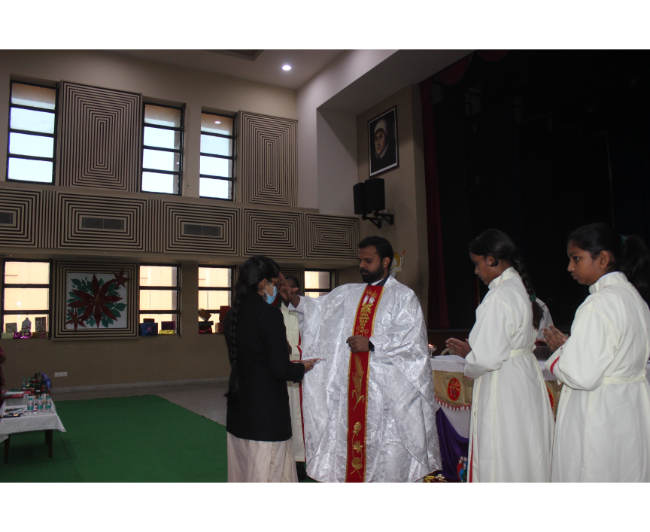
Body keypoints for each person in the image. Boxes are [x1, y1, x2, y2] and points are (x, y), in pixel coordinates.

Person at [279, 236, 440, 483]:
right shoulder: (349, 292)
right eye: (360, 260)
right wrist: (295, 299)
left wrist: (372, 344)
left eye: (368, 260)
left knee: (386, 454)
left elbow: (412, 341)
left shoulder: (403, 296)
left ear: (385, 261)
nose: (362, 265)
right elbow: (319, 310)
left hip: (385, 396)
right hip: (352, 392)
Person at [544, 223, 650, 483]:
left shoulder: (598, 304)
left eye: (576, 258)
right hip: (630, 407)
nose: (570, 267)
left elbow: (581, 375)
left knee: (593, 471)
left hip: (599, 410)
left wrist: (561, 352)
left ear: (602, 258)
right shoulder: (634, 298)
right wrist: (572, 347)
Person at [446, 229, 554, 483]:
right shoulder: (520, 289)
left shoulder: (499, 296)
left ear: (492, 259)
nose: (476, 271)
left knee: (502, 449)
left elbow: (486, 359)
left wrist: (471, 357)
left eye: (477, 263)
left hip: (503, 381)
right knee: (524, 446)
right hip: (524, 376)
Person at [223, 256, 316, 483]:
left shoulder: (232, 314)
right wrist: (303, 367)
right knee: (269, 473)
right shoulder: (269, 314)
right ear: (263, 283)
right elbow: (281, 369)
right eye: (275, 283)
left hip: (239, 411)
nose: (275, 289)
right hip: (266, 415)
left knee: (243, 473)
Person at [280, 275, 307, 480]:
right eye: (282, 286)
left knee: (301, 418)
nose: (285, 290)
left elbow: (315, 342)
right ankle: (285, 459)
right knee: (285, 417)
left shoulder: (306, 313)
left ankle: (302, 460)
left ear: (297, 289)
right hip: (280, 373)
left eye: (290, 286)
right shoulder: (274, 313)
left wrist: (294, 350)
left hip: (302, 372)